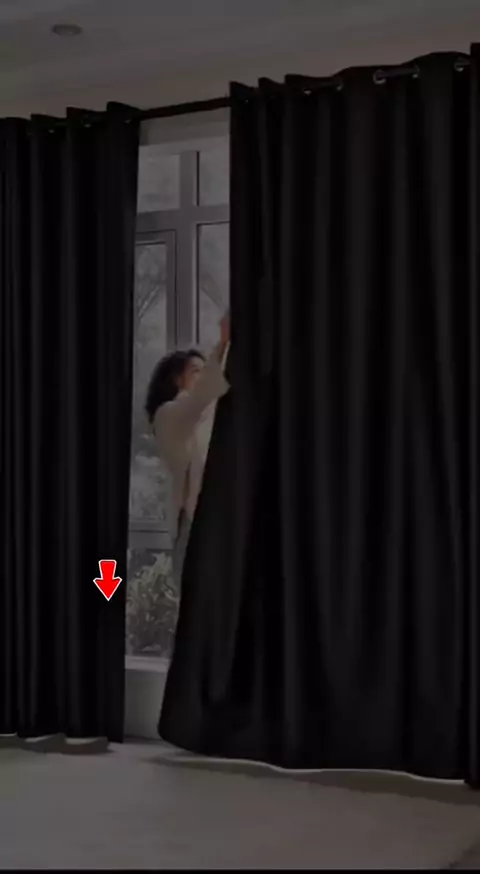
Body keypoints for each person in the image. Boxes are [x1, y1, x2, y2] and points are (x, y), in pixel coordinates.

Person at [145, 312, 230, 588]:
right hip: (192, 529)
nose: (204, 377)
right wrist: (223, 344)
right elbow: (198, 401)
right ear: (176, 380)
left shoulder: (207, 417)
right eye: (196, 371)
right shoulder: (168, 415)